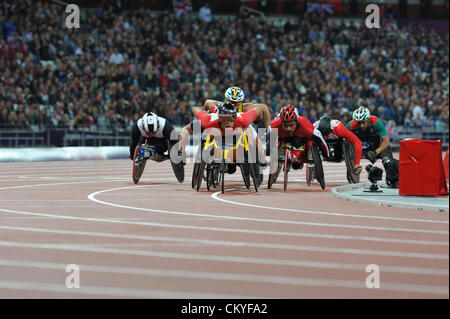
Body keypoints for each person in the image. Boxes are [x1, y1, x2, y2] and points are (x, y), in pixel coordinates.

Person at [192, 102, 265, 176]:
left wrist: (259, 118)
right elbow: (195, 109)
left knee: (248, 133)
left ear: (235, 118)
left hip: (234, 138)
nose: (228, 122)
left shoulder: (243, 120)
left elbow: (259, 109)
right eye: (225, 119)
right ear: (220, 118)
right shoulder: (208, 122)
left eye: (230, 119)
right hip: (216, 135)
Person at [268, 105, 330, 170]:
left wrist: (326, 154)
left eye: (291, 124)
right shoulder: (275, 124)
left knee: (309, 141)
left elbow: (319, 138)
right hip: (286, 139)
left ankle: (298, 159)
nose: (288, 127)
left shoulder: (304, 124)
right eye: (285, 124)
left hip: (301, 140)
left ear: (296, 120)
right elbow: (268, 135)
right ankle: (290, 157)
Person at [204, 86, 271, 129]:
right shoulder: (217, 106)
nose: (232, 104)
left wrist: (268, 129)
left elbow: (264, 107)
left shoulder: (246, 108)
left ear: (241, 102)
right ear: (225, 99)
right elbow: (207, 103)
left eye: (236, 103)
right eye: (230, 101)